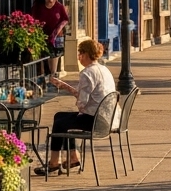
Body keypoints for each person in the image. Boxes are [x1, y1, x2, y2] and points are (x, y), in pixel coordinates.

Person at [37, 39, 115, 175]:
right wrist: (65, 86)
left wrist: (79, 104)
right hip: (107, 118)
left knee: (61, 123)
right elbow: (87, 96)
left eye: (80, 53)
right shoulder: (103, 69)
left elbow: (82, 104)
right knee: (60, 116)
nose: (79, 57)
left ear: (85, 54)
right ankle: (73, 157)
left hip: (95, 121)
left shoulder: (87, 73)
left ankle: (54, 162)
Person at [30, 0, 69, 79]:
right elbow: (32, 19)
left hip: (57, 34)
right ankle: (45, 75)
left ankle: (53, 75)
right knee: (44, 54)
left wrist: (57, 31)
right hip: (42, 34)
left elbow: (65, 19)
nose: (51, 0)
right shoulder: (38, 6)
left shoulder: (59, 7)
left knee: (54, 53)